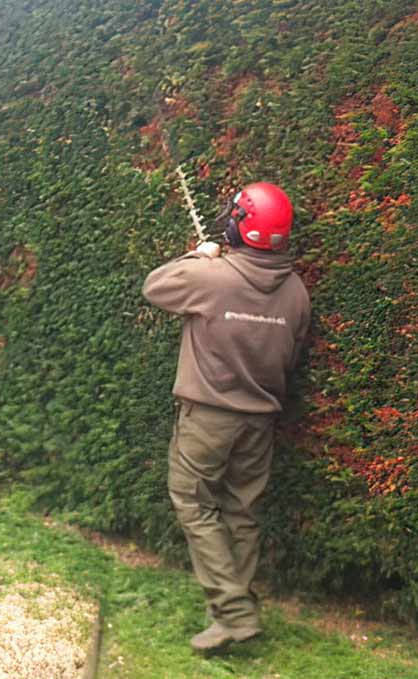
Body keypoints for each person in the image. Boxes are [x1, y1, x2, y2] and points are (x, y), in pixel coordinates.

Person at [142, 182, 311, 652]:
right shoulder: (297, 292)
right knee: (242, 512)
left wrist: (202, 254)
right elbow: (292, 357)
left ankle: (234, 613)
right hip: (260, 421)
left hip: (208, 418)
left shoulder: (211, 275)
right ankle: (233, 612)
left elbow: (154, 286)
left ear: (240, 225)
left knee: (193, 502)